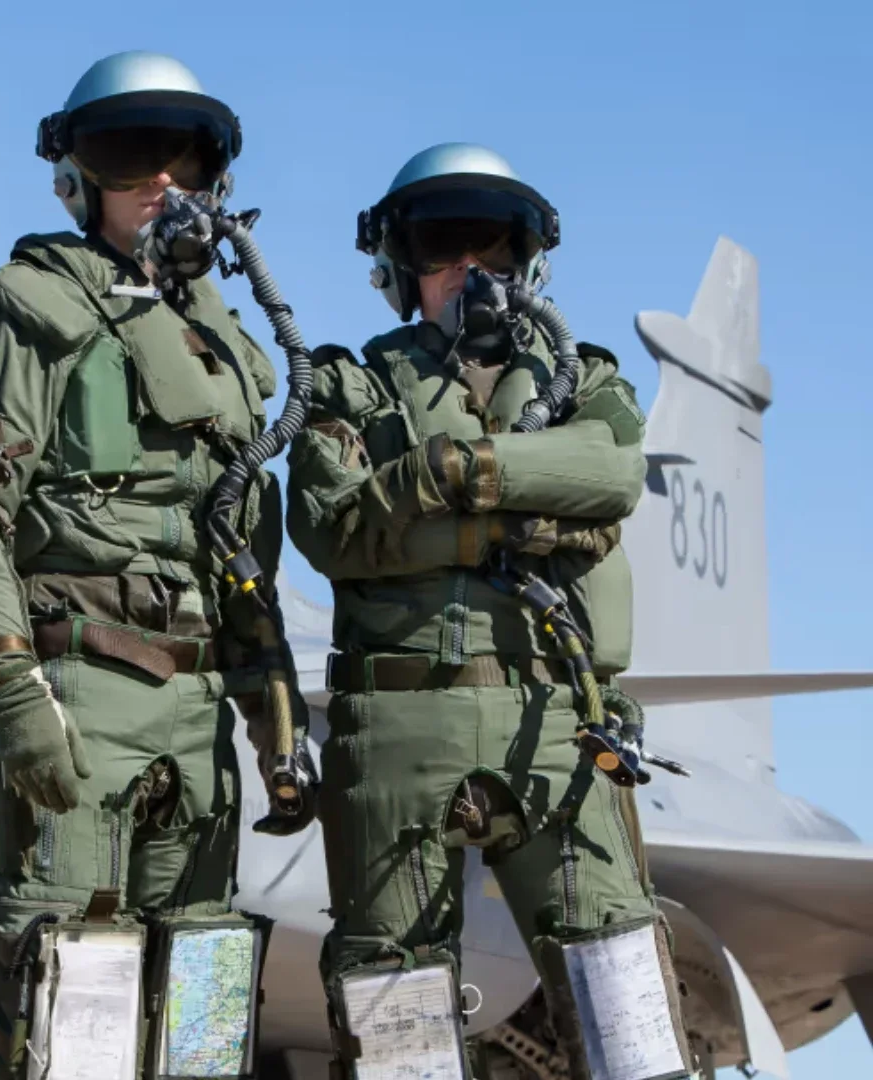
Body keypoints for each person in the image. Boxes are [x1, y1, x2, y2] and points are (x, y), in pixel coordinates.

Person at [0, 50, 314, 1080]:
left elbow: (245, 552)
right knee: (61, 1001)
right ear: (79, 180)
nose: (160, 186)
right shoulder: (28, 322)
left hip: (199, 714)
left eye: (182, 161)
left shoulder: (227, 353)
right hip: (80, 693)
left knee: (204, 1013)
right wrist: (17, 693)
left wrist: (275, 718)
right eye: (131, 161)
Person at [288, 143, 695, 1076]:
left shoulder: (583, 381)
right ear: (398, 267)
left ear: (529, 264)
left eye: (497, 250)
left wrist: (454, 475)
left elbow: (615, 473)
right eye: (443, 246)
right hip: (400, 726)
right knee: (401, 1028)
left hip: (553, 720)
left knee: (625, 997)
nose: (474, 273)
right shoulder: (352, 385)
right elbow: (331, 527)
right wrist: (520, 520)